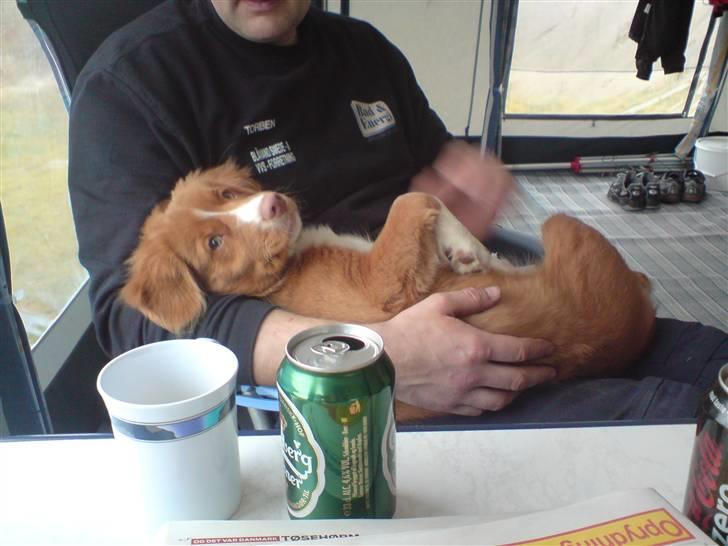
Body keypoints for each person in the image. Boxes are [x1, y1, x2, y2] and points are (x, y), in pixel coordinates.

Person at [68, 0, 727, 424]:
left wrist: (464, 187)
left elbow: (441, 176)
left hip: (489, 304)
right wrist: (367, 355)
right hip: (353, 400)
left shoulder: (364, 50)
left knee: (711, 362)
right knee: (686, 423)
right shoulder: (134, 86)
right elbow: (133, 322)